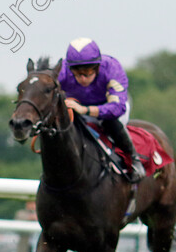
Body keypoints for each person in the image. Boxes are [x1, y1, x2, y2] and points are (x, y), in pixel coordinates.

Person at [58, 37, 146, 181]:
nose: (82, 78)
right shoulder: (62, 71)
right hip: (78, 108)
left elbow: (117, 108)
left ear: (97, 67)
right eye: (77, 73)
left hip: (111, 108)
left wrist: (85, 110)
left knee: (109, 123)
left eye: (87, 72)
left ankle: (134, 160)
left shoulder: (111, 67)